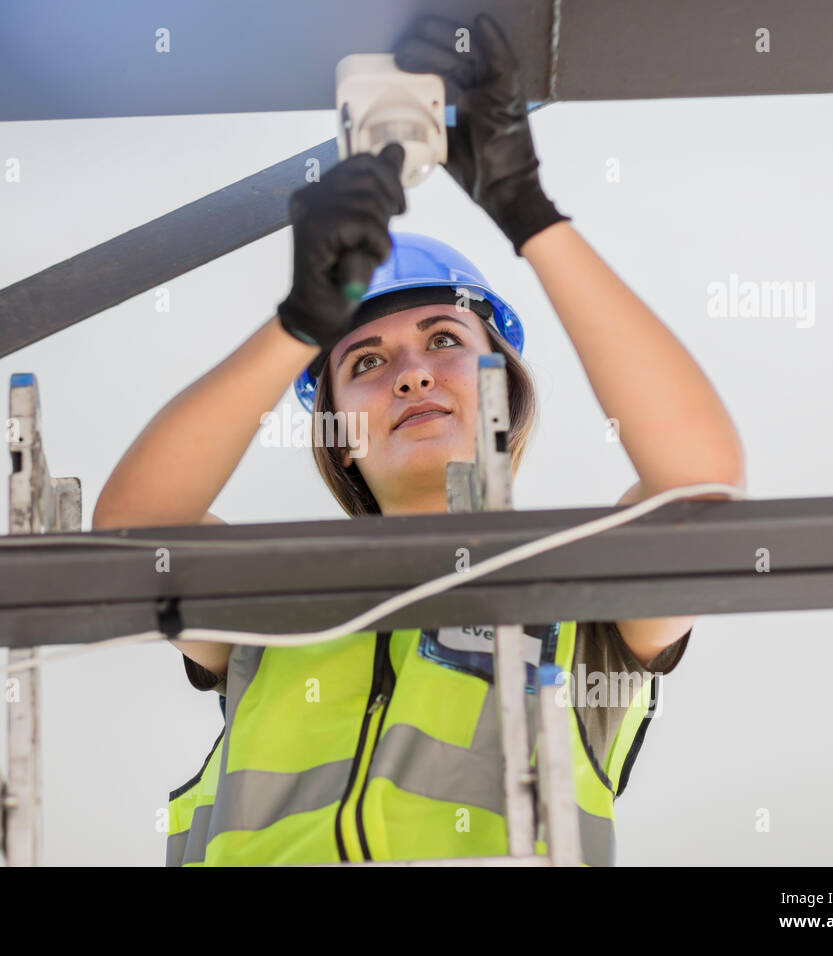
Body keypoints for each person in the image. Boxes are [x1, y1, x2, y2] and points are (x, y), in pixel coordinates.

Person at [93, 13, 745, 866]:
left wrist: (530, 214)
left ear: (503, 390)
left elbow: (699, 494)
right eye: (365, 359)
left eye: (444, 340)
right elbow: (132, 532)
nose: (410, 373)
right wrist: (299, 325)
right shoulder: (271, 609)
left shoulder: (576, 599)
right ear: (336, 431)